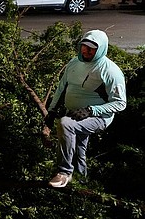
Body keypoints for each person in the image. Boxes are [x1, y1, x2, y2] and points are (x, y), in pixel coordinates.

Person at [45, 30, 126, 187]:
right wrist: (52, 111)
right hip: (76, 114)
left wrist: (91, 110)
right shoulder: (74, 63)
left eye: (92, 48)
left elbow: (120, 103)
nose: (86, 51)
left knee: (66, 124)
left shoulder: (110, 71)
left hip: (99, 117)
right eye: (84, 46)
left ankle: (64, 173)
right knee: (78, 148)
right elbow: (62, 88)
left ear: (101, 49)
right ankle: (81, 182)